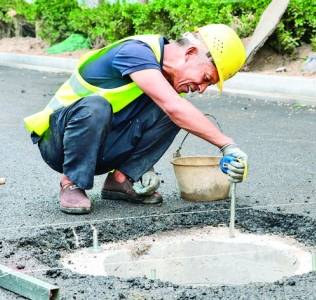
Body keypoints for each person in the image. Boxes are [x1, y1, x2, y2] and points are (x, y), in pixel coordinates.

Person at [24, 24, 248, 214]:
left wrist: (143, 166)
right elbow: (174, 107)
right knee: (99, 106)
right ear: (190, 53)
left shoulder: (168, 79)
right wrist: (227, 145)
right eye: (206, 78)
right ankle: (71, 182)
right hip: (58, 143)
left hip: (101, 146)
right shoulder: (136, 51)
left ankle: (121, 180)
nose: (201, 89)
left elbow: (162, 112)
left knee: (175, 112)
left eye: (207, 85)